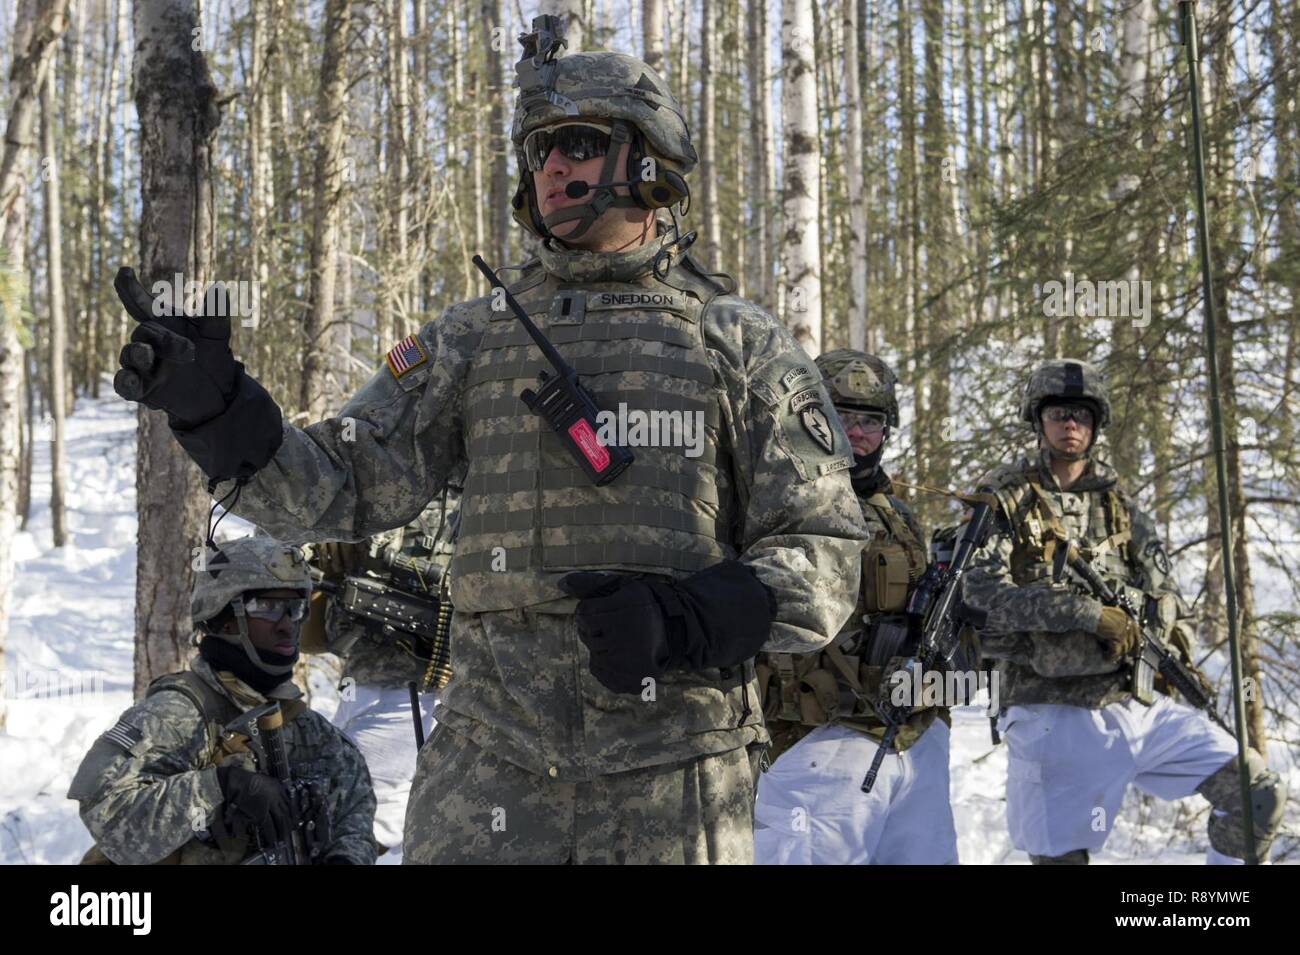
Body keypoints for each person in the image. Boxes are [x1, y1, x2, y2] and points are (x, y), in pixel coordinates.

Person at [107, 17, 868, 864]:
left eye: (577, 143)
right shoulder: (474, 337)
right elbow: (339, 484)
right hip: (489, 773)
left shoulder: (737, 341)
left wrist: (688, 617)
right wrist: (218, 412)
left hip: (675, 777)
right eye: (539, 149)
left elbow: (826, 554)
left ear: (648, 160)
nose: (552, 166)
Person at [962, 358, 1286, 864]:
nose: (1071, 424)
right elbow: (978, 594)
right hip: (1052, 709)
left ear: (1096, 425)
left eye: (1083, 415)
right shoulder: (1004, 497)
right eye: (1059, 412)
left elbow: (1166, 595)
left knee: (1257, 793)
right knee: (1063, 859)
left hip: (1133, 701)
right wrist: (1086, 614)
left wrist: (1160, 635)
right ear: (1038, 420)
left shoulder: (1119, 503)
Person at [754, 350, 966, 864]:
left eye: (870, 420)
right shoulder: (774, 500)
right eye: (842, 415)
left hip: (912, 740)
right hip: (819, 741)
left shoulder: (898, 513)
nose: (857, 432)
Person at [68, 537, 377, 864]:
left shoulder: (309, 730)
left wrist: (345, 857)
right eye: (269, 608)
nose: (288, 625)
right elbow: (109, 817)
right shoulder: (175, 714)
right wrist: (219, 785)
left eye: (295, 608)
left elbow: (355, 811)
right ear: (225, 617)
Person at [303, 487, 459, 858]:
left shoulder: (476, 496)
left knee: (358, 818)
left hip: (415, 694)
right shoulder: (381, 485)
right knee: (338, 808)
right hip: (363, 680)